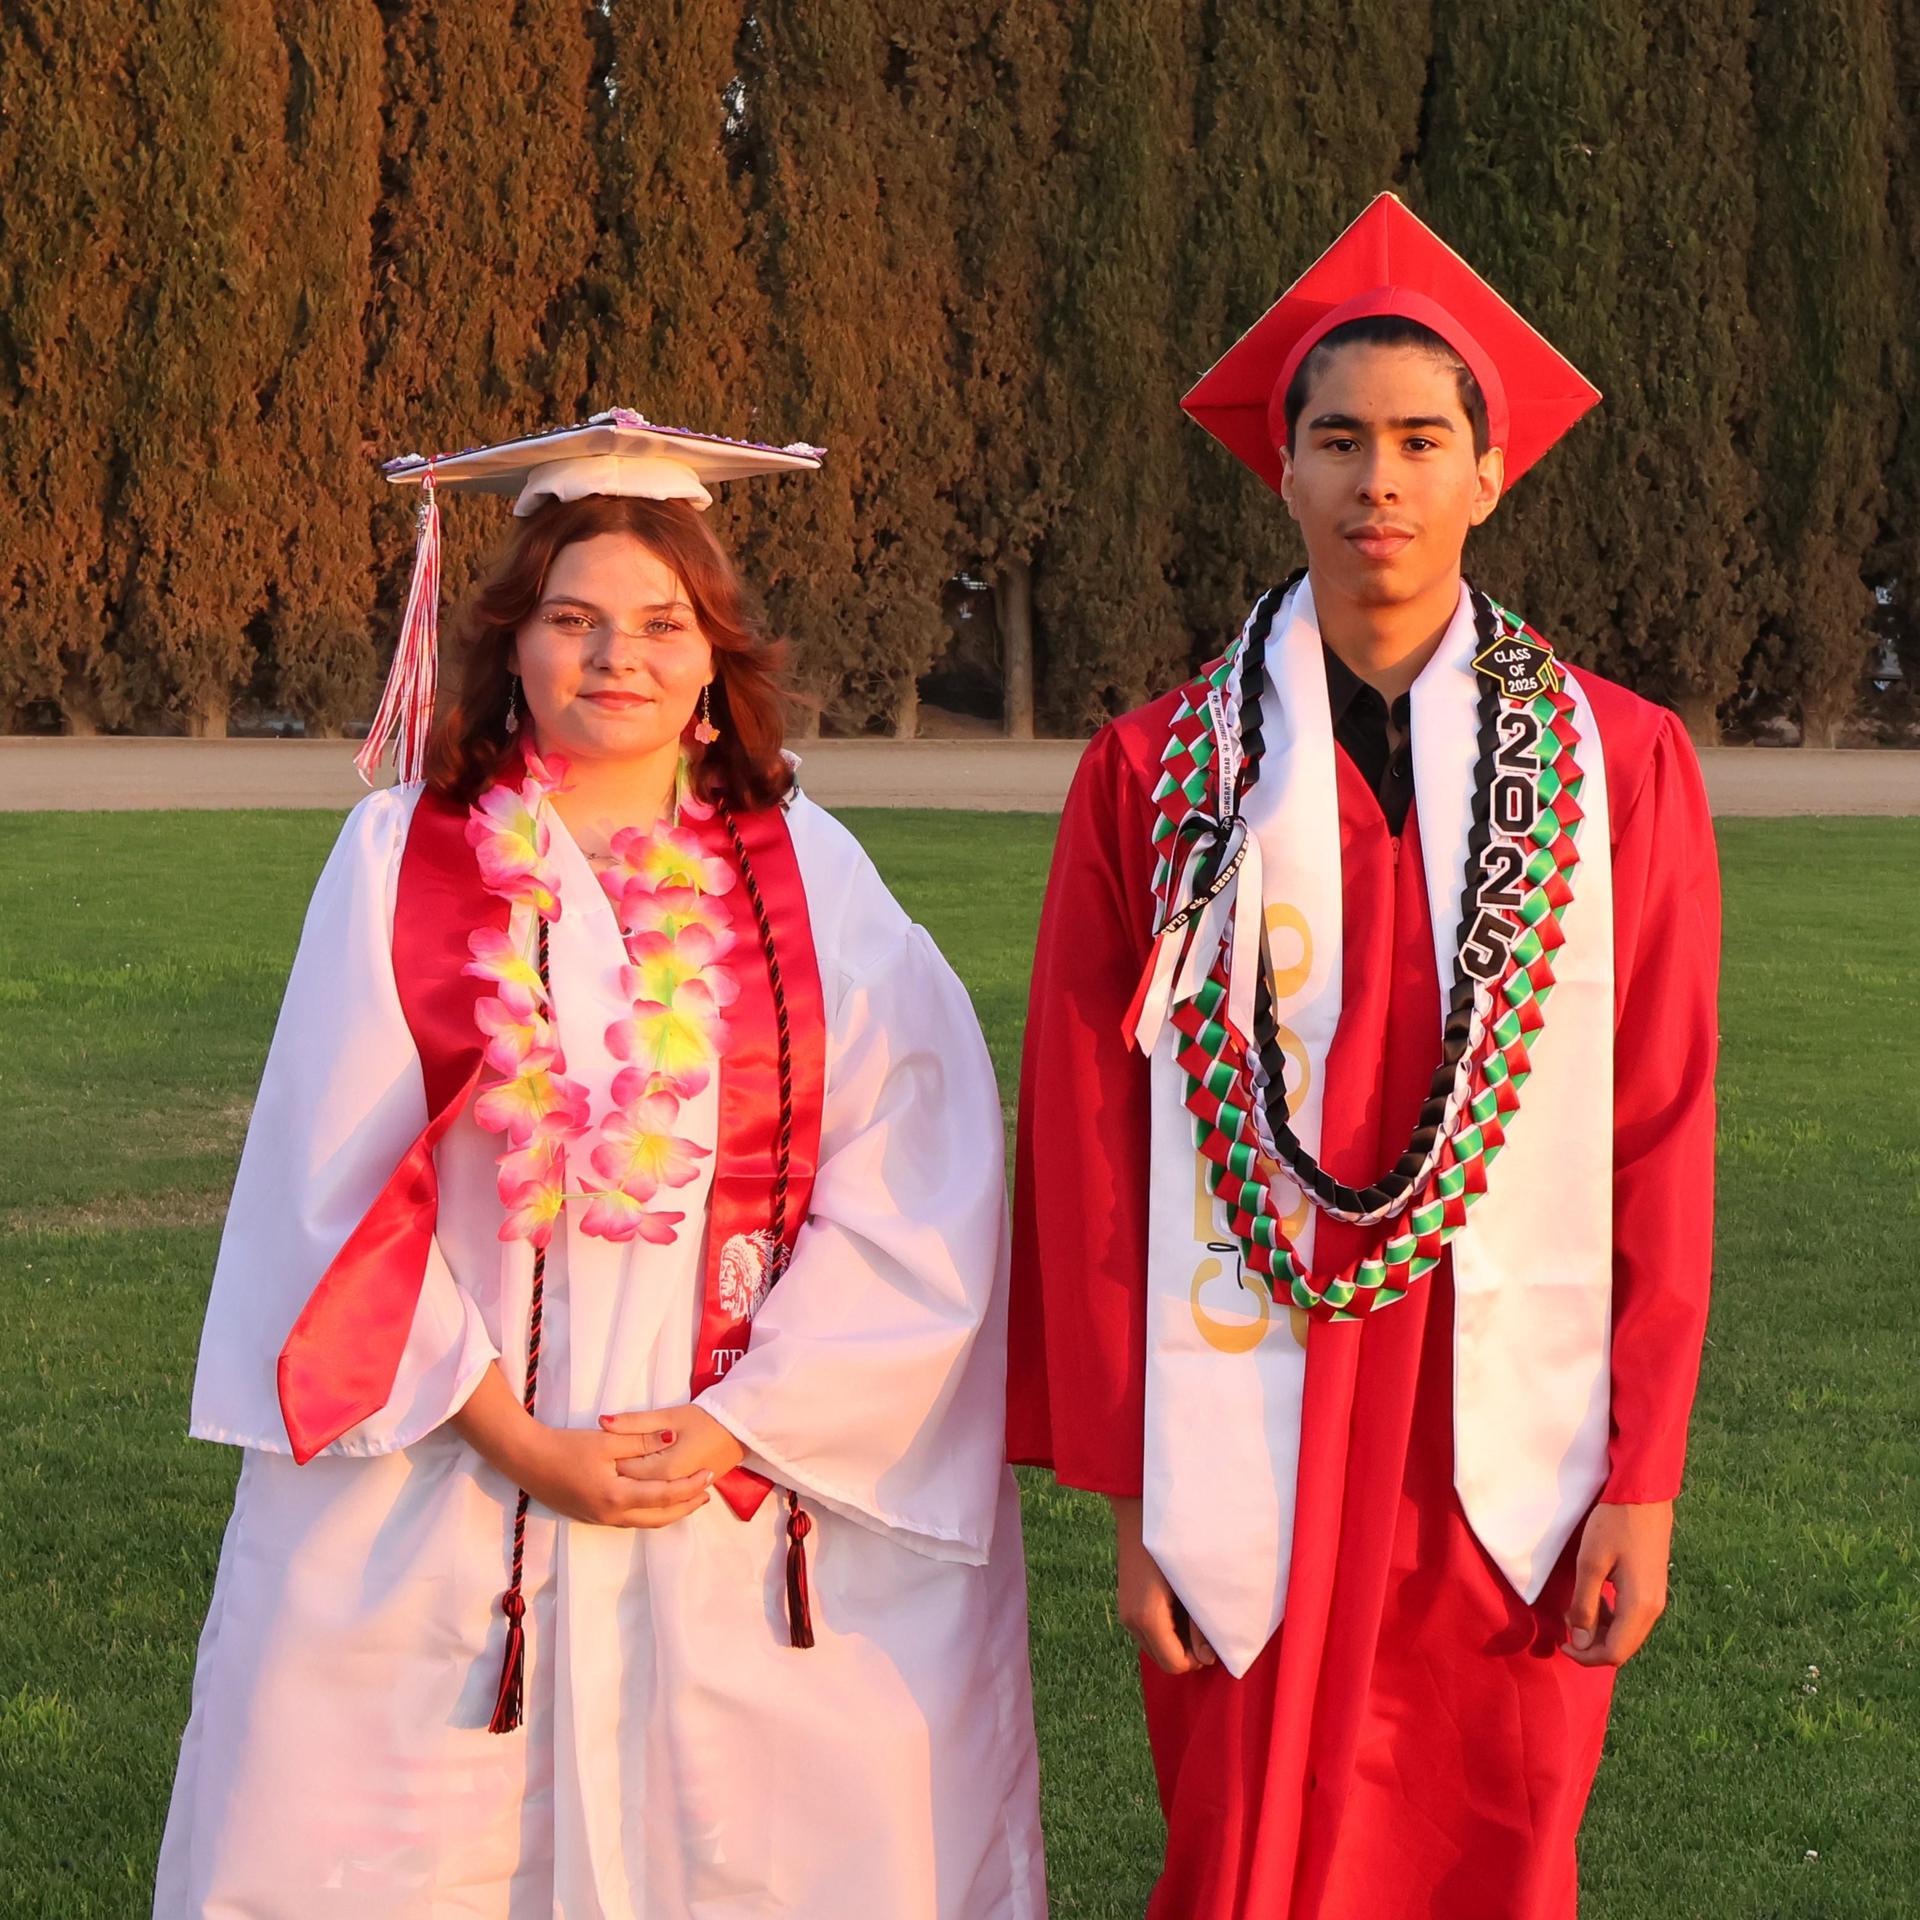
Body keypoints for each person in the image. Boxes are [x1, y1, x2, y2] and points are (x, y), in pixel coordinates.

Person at [157, 411, 1046, 1919]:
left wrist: (740, 1423)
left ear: (714, 660)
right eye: (574, 620)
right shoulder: (401, 859)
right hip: (453, 1478)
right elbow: (331, 1182)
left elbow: (921, 1182)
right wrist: (512, 1435)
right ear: (513, 646)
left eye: (659, 622)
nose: (616, 656)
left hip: (731, 1484)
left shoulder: (815, 876)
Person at [1009, 196, 1720, 1919]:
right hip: (1248, 1411)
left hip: (1510, 1430)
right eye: (1338, 441)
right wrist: (1128, 1501)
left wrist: (1646, 1477)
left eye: (1420, 441)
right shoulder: (1162, 778)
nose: (1377, 482)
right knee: (1247, 1827)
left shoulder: (1616, 775)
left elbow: (1660, 1128)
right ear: (1285, 472)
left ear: (1491, 470)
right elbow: (1091, 1149)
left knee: (1497, 1814)